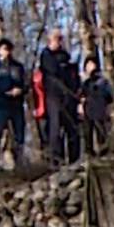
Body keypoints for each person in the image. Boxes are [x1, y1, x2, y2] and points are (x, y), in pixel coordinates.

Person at [40, 30, 83, 164]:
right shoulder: (46, 56)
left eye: (60, 39)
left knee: (72, 128)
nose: (59, 42)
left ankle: (74, 159)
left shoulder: (67, 58)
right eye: (56, 39)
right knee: (55, 129)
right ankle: (57, 160)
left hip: (69, 98)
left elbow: (73, 78)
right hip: (54, 97)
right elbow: (52, 71)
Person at [0, 39, 28, 169]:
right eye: (4, 49)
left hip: (17, 104)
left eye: (8, 49)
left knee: (19, 133)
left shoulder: (18, 66)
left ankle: (19, 162)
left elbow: (26, 83)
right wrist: (5, 91)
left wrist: (20, 90)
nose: (7, 52)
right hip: (2, 104)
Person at [80, 51, 114, 155]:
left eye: (91, 64)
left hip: (100, 111)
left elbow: (109, 96)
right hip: (88, 112)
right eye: (87, 65)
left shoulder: (102, 81)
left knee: (102, 134)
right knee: (88, 135)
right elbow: (82, 96)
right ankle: (89, 154)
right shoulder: (85, 83)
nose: (90, 67)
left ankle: (104, 152)